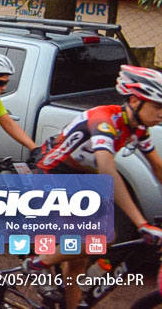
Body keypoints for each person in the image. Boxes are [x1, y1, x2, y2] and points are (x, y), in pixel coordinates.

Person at [24, 65, 162, 308]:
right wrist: (141, 223)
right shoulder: (104, 122)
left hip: (78, 180)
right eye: (157, 106)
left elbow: (158, 168)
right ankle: (38, 263)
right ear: (134, 100)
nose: (161, 113)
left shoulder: (138, 128)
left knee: (79, 261)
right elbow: (108, 172)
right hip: (50, 175)